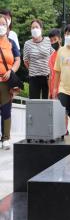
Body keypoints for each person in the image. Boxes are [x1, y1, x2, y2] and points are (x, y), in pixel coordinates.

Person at [0, 14, 21, 149]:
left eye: (3, 24)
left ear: (7, 27)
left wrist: (11, 71)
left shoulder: (11, 43)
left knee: (6, 109)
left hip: (6, 81)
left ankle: (5, 137)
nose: (1, 27)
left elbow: (18, 60)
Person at [23, 19, 54, 99]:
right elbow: (26, 61)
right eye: (32, 28)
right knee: (34, 102)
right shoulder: (27, 44)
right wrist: (33, 69)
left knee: (47, 101)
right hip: (34, 77)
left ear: (41, 29)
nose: (34, 29)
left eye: (36, 27)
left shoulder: (48, 40)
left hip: (47, 76)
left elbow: (54, 56)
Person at [48, 29, 62, 99]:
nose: (53, 42)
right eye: (51, 41)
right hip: (53, 91)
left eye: (55, 39)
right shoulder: (51, 57)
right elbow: (50, 75)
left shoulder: (64, 53)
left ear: (60, 39)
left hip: (62, 91)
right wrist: (49, 92)